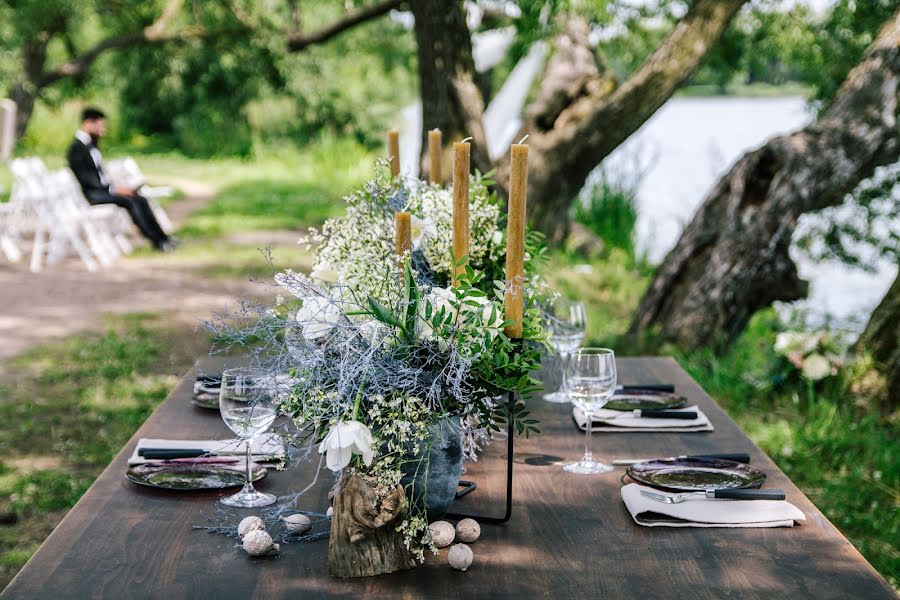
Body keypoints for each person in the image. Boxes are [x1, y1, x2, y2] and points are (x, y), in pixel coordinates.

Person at [67, 107, 175, 252]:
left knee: (139, 198)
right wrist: (113, 189)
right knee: (129, 200)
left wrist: (114, 187)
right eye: (100, 125)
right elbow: (88, 180)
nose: (102, 129)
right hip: (94, 195)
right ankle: (156, 241)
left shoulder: (90, 145)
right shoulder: (76, 149)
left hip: (102, 190)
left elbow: (99, 175)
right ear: (88, 123)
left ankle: (162, 238)